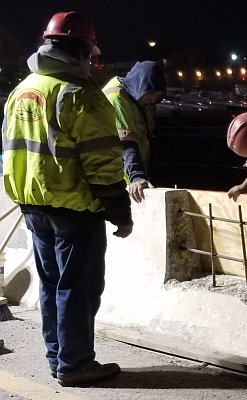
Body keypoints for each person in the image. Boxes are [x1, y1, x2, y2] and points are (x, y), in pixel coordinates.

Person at [1, 11, 132, 387]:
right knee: (79, 288)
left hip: (33, 204)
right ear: (82, 50)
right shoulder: (80, 94)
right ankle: (76, 365)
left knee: (52, 284)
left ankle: (58, 359)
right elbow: (103, 162)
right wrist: (119, 211)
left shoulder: (25, 88)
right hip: (74, 207)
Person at [103, 61, 166, 203]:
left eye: (157, 96)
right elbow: (126, 143)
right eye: (151, 95)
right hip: (120, 182)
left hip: (132, 177)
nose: (153, 100)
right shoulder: (117, 98)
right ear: (141, 85)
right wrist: (137, 177)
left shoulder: (135, 97)